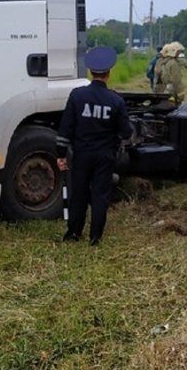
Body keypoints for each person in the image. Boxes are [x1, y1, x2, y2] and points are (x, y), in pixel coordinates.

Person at [56, 46, 133, 246]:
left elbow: (66, 128)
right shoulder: (116, 100)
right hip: (105, 156)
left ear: (91, 72)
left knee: (78, 194)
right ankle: (95, 237)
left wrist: (61, 155)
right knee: (100, 196)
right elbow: (126, 132)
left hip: (81, 154)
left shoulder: (77, 96)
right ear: (108, 73)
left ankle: (73, 233)